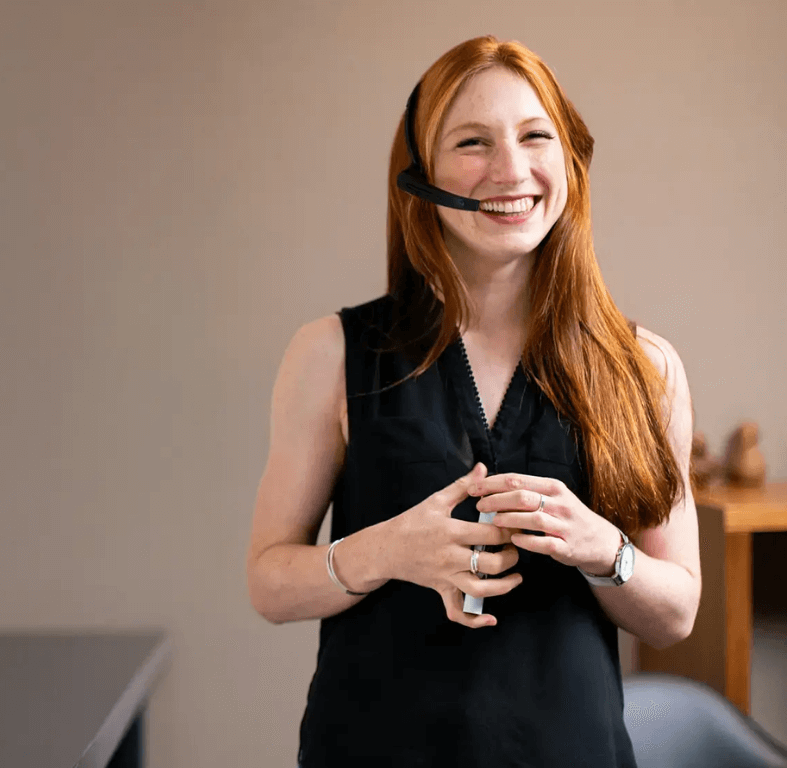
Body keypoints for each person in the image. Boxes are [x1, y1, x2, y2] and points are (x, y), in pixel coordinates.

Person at [245, 36, 700, 768]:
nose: (511, 170)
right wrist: (386, 551)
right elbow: (269, 582)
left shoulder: (646, 368)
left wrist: (598, 548)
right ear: (420, 175)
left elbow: (676, 612)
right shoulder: (329, 354)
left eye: (534, 137)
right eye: (472, 142)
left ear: (570, 161)